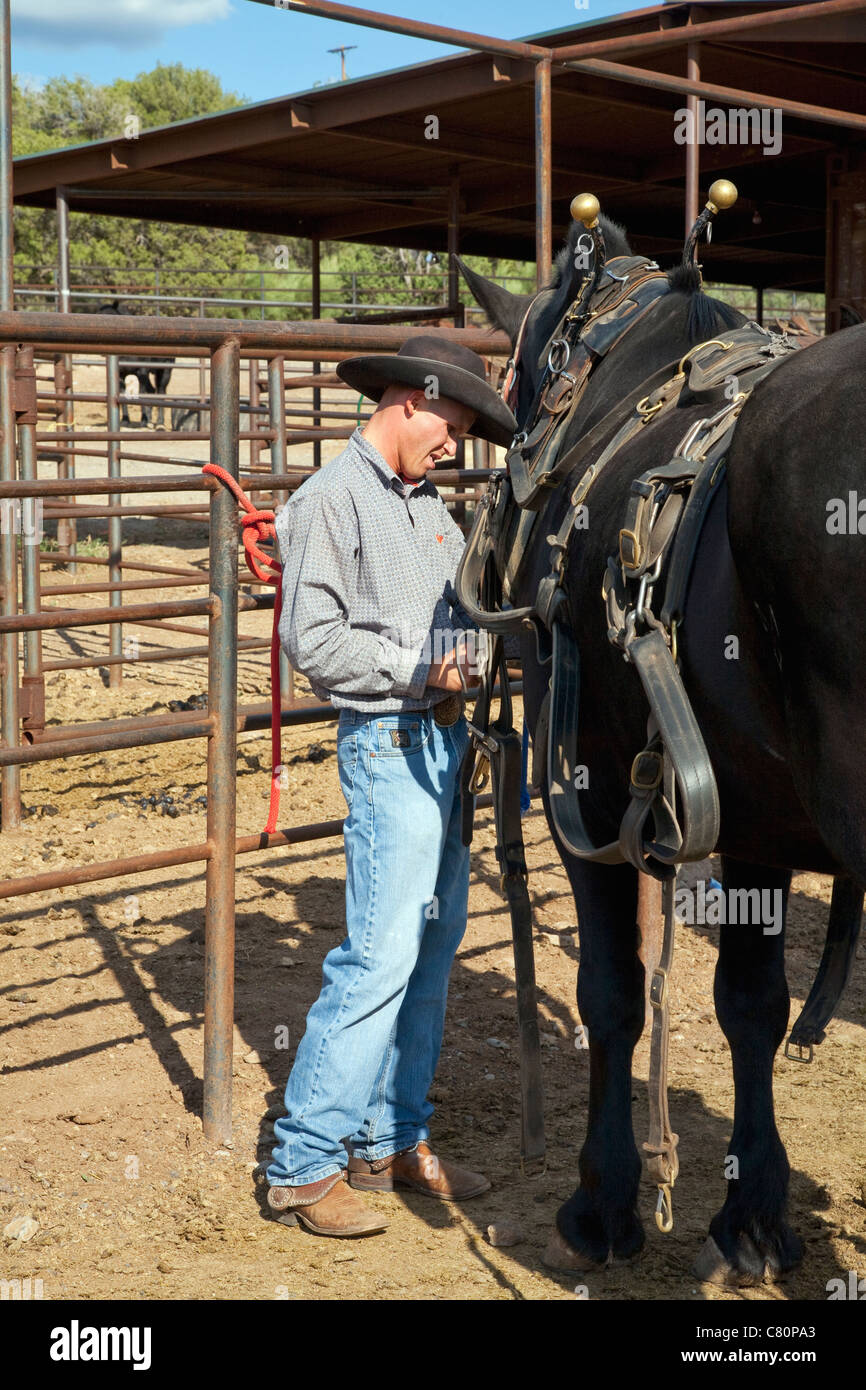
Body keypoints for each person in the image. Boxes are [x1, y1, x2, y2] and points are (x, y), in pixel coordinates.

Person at [265, 336, 516, 1238]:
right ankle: (302, 1165)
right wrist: (424, 671)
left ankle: (390, 1138)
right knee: (377, 957)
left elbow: (467, 621)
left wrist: (479, 652)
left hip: (444, 748)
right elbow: (316, 643)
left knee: (431, 950)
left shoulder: (432, 514)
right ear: (412, 400)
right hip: (389, 741)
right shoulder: (331, 501)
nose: (456, 444)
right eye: (452, 425)